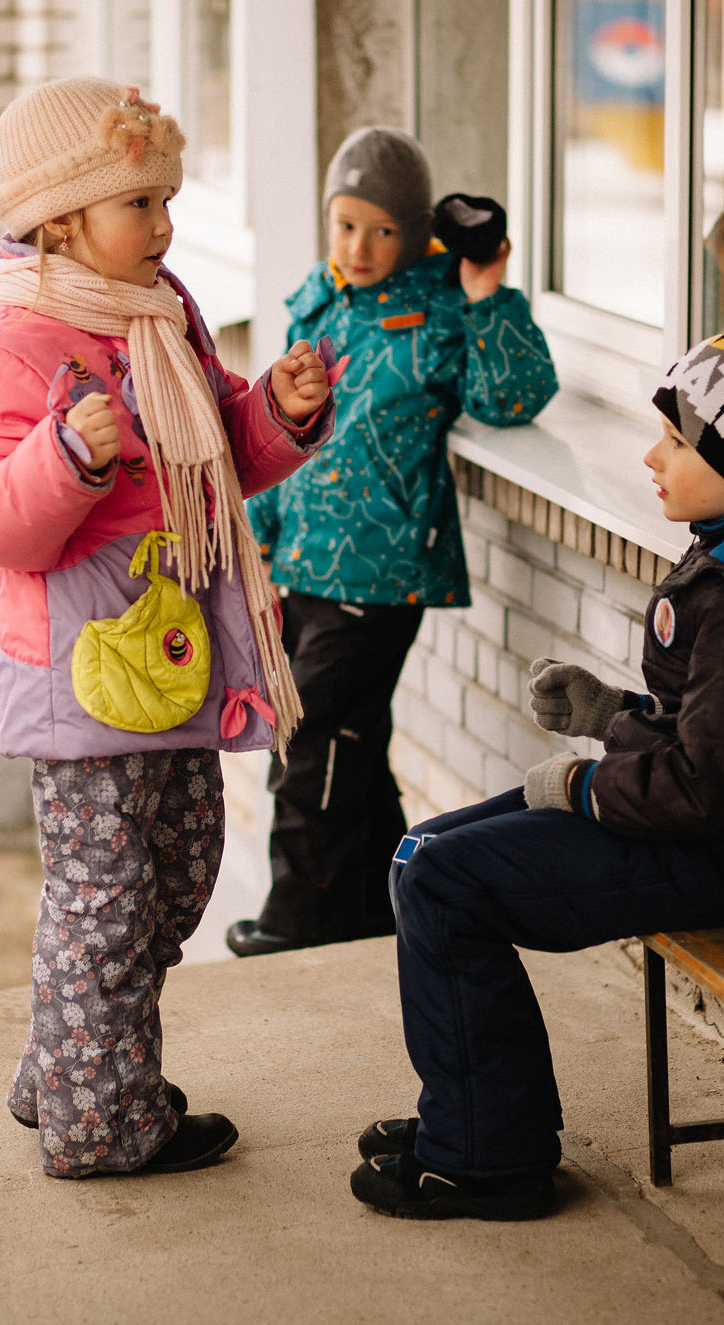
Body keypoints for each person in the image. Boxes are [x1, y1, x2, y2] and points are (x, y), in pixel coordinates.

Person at [349, 327, 724, 1220]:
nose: (651, 456)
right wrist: (609, 715)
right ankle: (479, 1116)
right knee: (420, 853)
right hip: (702, 824)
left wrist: (583, 784)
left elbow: (704, 786)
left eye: (677, 440)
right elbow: (708, 734)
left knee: (443, 882)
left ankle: (487, 1159)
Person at [0, 76, 343, 1179]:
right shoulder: (11, 346)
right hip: (84, 672)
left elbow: (217, 457)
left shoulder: (157, 320)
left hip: (174, 660)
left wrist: (277, 410)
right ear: (61, 219)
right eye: (139, 205)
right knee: (105, 901)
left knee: (181, 873)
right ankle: (104, 1121)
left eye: (167, 202)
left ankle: (65, 1066)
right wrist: (65, 460)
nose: (164, 227)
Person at [225, 127, 559, 958]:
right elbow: (285, 433)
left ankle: (298, 918)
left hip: (380, 572)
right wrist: (261, 539)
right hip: (303, 561)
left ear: (412, 232)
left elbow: (512, 395)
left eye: (380, 230)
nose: (359, 247)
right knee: (351, 742)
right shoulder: (321, 301)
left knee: (312, 738)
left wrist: (486, 292)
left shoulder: (439, 308)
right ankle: (385, 902)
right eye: (345, 225)